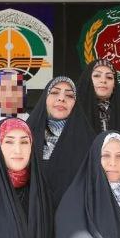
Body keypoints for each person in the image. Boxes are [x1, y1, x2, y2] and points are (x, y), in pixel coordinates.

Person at [28, 76, 94, 205]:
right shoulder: (25, 136)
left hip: (73, 212)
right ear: (45, 98)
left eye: (69, 95)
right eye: (54, 92)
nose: (61, 98)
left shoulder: (89, 141)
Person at [77, 58, 120, 137]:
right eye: (97, 75)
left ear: (114, 85)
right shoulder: (75, 113)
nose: (103, 80)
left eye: (109, 77)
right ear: (88, 80)